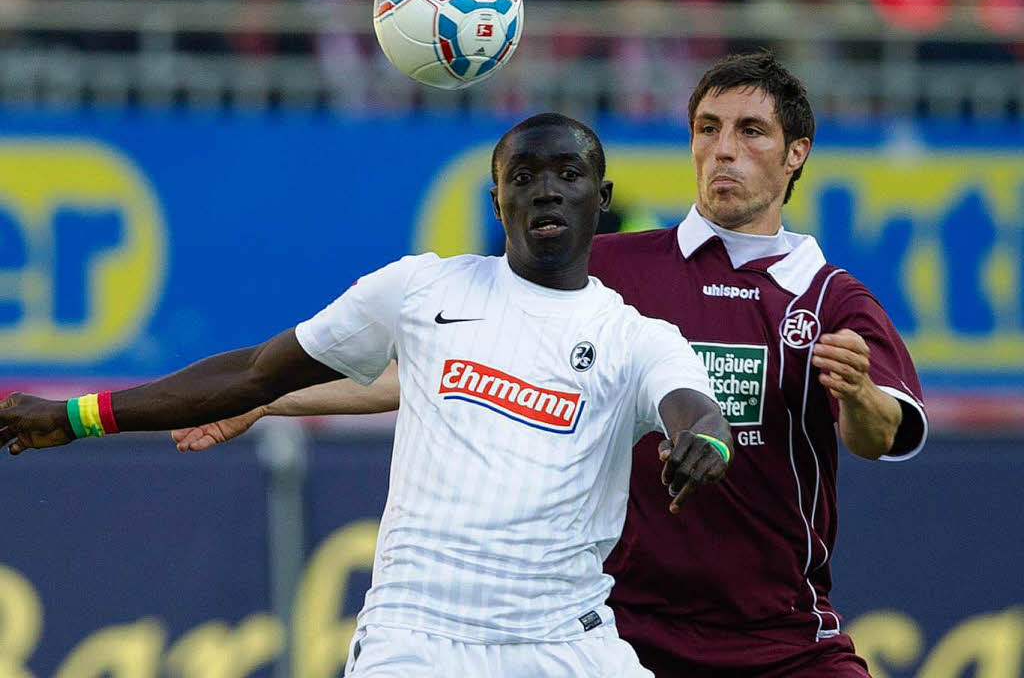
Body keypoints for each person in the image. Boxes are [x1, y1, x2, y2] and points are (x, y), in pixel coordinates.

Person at [174, 52, 928, 677]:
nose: (725, 148)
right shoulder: (609, 266)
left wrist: (858, 392)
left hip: (779, 637)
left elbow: (875, 434)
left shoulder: (832, 300)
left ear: (797, 153)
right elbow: (441, 370)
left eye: (752, 131)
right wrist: (270, 399)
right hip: (620, 628)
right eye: (708, 128)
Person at [0, 113, 734, 678]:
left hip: (562, 643)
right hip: (415, 639)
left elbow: (696, 411)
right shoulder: (421, 291)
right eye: (525, 174)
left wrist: (700, 441)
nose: (546, 188)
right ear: (497, 196)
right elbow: (258, 370)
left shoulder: (638, 336)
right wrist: (78, 415)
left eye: (568, 173)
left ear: (599, 197)